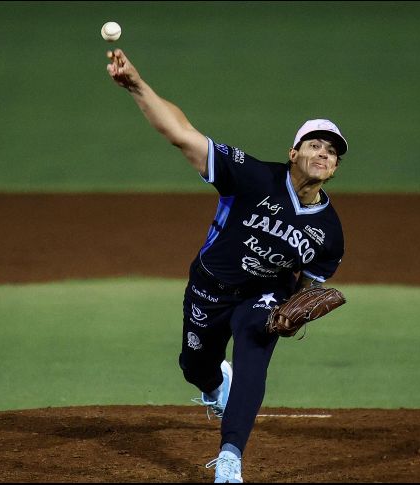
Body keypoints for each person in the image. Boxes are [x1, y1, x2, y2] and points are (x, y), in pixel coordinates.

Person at [106, 48, 347, 483]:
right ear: (293, 153)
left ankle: (231, 457)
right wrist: (137, 86)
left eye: (332, 153)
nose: (323, 154)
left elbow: (311, 286)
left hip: (261, 297)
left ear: (334, 169)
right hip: (208, 286)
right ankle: (216, 386)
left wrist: (291, 313)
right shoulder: (252, 177)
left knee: (255, 348)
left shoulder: (329, 232)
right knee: (194, 368)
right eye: (315, 145)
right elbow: (183, 135)